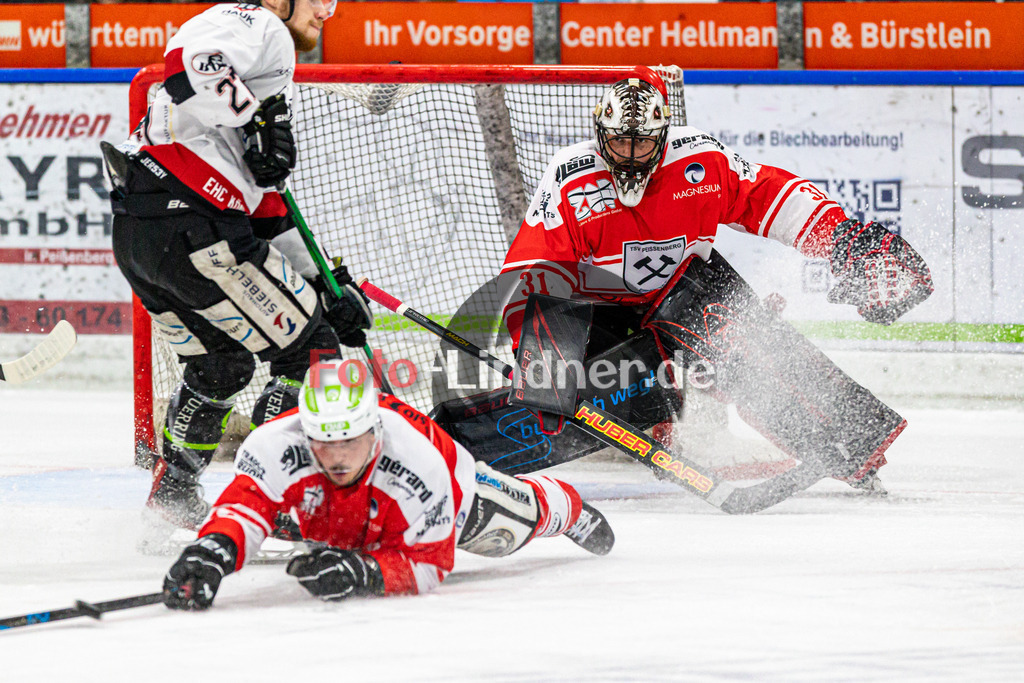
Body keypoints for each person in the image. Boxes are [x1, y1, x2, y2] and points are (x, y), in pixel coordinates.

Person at [438, 66, 933, 493]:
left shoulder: (700, 161)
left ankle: (849, 442)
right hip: (604, 311)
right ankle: (654, 411)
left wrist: (839, 237)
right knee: (585, 396)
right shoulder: (571, 179)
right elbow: (533, 274)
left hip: (689, 292)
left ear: (664, 134)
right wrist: (548, 368)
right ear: (599, 131)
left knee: (743, 337)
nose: (630, 153)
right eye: (619, 141)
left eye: (643, 142)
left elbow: (768, 196)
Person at [102, 0, 372, 531]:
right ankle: (273, 501)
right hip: (193, 225)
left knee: (221, 366)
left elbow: (269, 213)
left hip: (143, 235)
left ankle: (174, 496)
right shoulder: (257, 20)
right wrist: (257, 117)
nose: (326, 11)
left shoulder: (254, 81)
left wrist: (325, 284)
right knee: (311, 353)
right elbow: (188, 63)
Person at [162, 360, 613, 609]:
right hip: (341, 509)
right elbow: (243, 509)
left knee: (505, 533)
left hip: (456, 487)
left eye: (350, 441)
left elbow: (430, 564)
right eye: (324, 441)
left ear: (375, 431)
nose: (336, 456)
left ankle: (566, 506)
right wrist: (211, 553)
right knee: (278, 520)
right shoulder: (272, 445)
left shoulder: (423, 467)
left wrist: (366, 573)